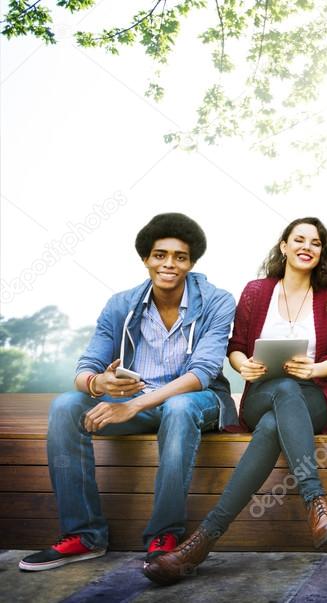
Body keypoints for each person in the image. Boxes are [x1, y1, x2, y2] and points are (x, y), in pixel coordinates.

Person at [143, 217, 327, 585]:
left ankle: (200, 543)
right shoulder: (257, 292)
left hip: (314, 399)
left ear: (323, 253)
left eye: (316, 242)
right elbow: (235, 347)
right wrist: (245, 366)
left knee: (281, 413)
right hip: (261, 394)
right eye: (299, 239)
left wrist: (315, 368)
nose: (307, 246)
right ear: (284, 246)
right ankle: (315, 503)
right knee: (280, 395)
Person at [19, 213, 236, 572]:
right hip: (137, 401)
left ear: (192, 262)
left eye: (180, 257)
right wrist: (97, 384)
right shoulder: (122, 304)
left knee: (179, 408)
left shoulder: (217, 301)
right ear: (146, 259)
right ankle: (84, 536)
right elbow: (86, 365)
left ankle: (164, 535)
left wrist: (132, 405)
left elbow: (203, 372)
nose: (169, 264)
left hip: (199, 400)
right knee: (65, 406)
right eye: (159, 254)